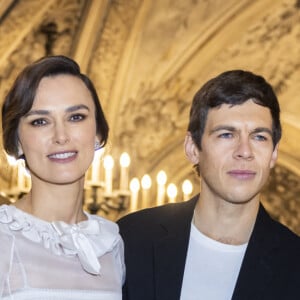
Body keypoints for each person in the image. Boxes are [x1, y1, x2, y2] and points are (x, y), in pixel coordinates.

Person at [118, 70, 300, 300]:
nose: (244, 151)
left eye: (259, 137)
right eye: (226, 135)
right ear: (193, 148)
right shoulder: (132, 238)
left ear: (273, 153)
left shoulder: (294, 262)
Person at [0, 55, 125, 299]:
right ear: (18, 141)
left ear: (97, 132)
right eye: (40, 121)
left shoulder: (111, 243)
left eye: (76, 117)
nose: (61, 136)